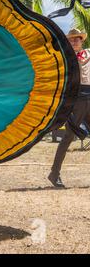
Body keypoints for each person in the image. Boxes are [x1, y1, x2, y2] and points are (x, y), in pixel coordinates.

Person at [49, 28, 90, 188]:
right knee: (68, 137)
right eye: (72, 39)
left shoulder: (88, 54)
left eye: (77, 39)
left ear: (82, 41)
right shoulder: (64, 58)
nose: (75, 41)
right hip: (76, 99)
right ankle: (54, 173)